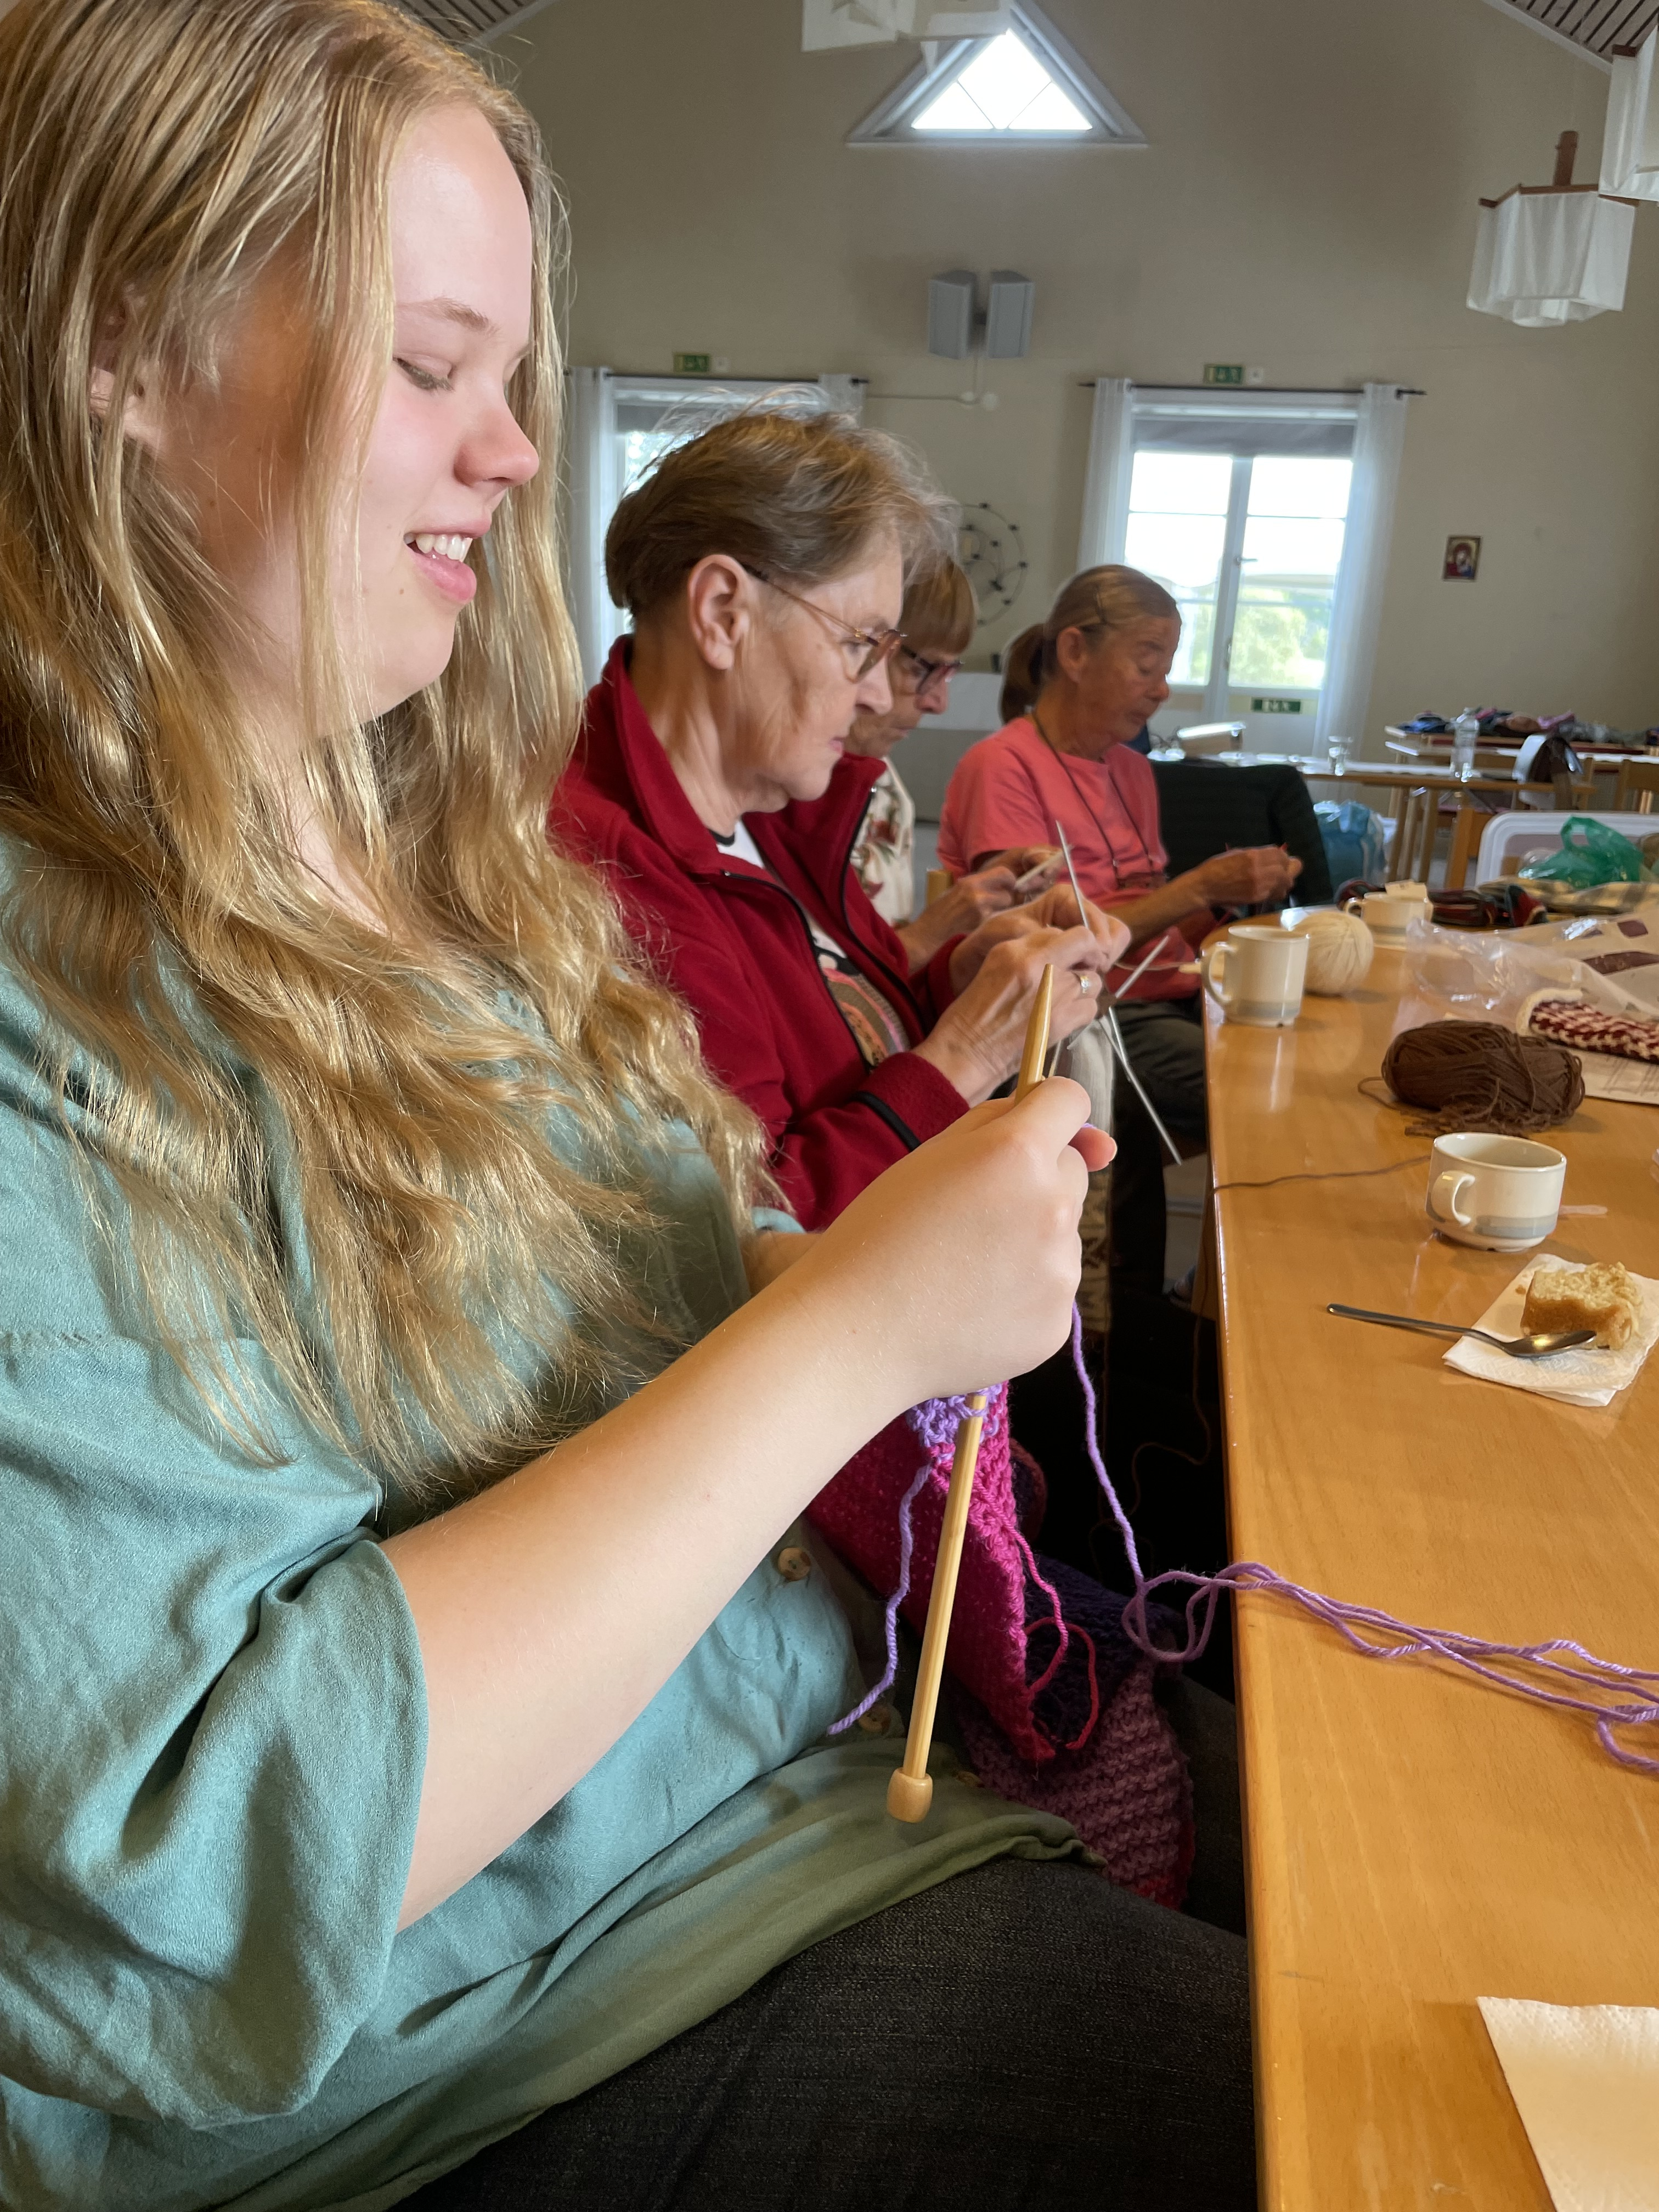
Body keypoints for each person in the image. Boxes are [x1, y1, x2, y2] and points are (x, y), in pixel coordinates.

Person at [0, 6, 1254, 2210]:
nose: (507, 458)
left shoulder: (451, 871)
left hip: (802, 1816)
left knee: (1412, 1858)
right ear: (122, 344)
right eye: (425, 365)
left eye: (514, 384)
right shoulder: (52, 984)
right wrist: (852, 1324)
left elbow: (692, 1287)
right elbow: (195, 1864)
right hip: (504, 2051)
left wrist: (838, 1265)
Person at [555, 414, 1129, 1232]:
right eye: (862, 644)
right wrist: (970, 1053)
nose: (877, 693)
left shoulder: (776, 810)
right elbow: (758, 1236)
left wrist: (968, 981)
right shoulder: (608, 872)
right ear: (722, 613)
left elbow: (844, 1034)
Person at [941, 565, 1302, 1165]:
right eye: (1147, 664)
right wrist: (1199, 885)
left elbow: (1146, 934)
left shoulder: (1133, 771)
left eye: (1166, 670)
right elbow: (1043, 944)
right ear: (1076, 652)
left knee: (1309, 1065)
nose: (1162, 689)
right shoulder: (1003, 766)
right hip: (1088, 1016)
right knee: (1273, 1095)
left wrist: (1221, 896)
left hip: (1169, 998)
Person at [844, 554, 1053, 969]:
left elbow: (885, 963)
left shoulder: (886, 785)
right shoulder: (779, 795)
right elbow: (827, 993)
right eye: (925, 669)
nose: (940, 703)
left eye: (948, 674)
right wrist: (931, 934)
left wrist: (968, 936)